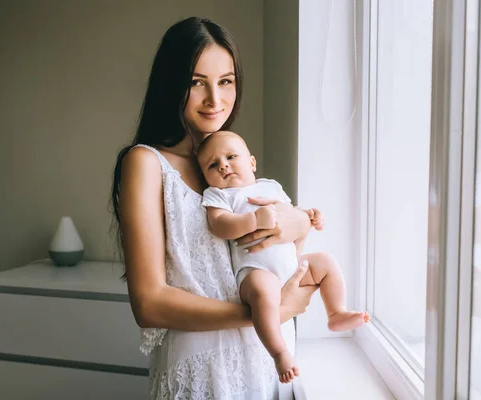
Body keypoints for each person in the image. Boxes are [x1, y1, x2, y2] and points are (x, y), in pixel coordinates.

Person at [110, 17, 317, 400]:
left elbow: (274, 243)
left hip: (265, 366)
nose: (214, 99)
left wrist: (300, 221)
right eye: (196, 82)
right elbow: (150, 303)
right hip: (201, 376)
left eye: (226, 81)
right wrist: (271, 312)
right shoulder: (146, 163)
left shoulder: (228, 162)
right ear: (171, 83)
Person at [196, 131, 370, 384]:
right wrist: (253, 219)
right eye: (213, 164)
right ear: (206, 176)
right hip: (254, 270)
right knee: (264, 292)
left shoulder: (270, 186)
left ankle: (336, 312)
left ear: (252, 163)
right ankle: (279, 353)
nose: (223, 165)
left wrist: (308, 215)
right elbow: (220, 225)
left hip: (290, 264)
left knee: (324, 261)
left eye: (231, 156)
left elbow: (290, 214)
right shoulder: (218, 195)